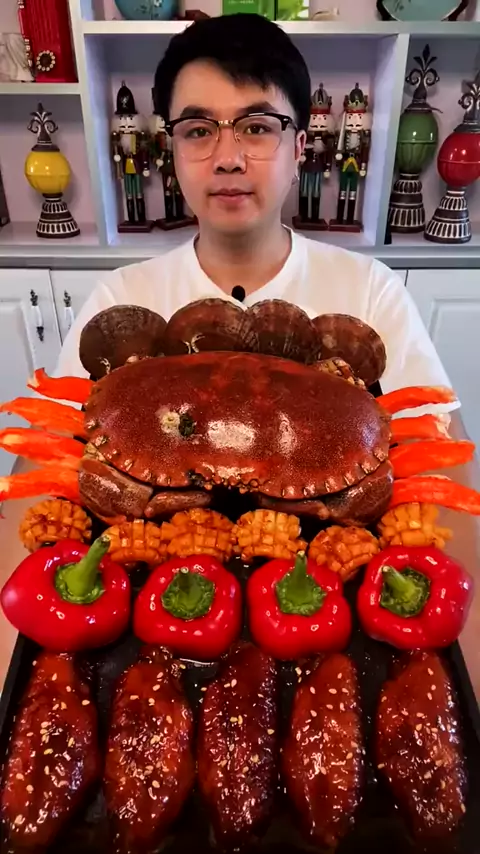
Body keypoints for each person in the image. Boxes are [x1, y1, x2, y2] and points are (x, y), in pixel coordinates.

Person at [56, 13, 455, 414]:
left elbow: (441, 440)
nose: (228, 159)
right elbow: (53, 436)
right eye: (198, 130)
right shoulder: (120, 301)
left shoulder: (371, 293)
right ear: (172, 149)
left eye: (258, 127)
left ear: (299, 148)